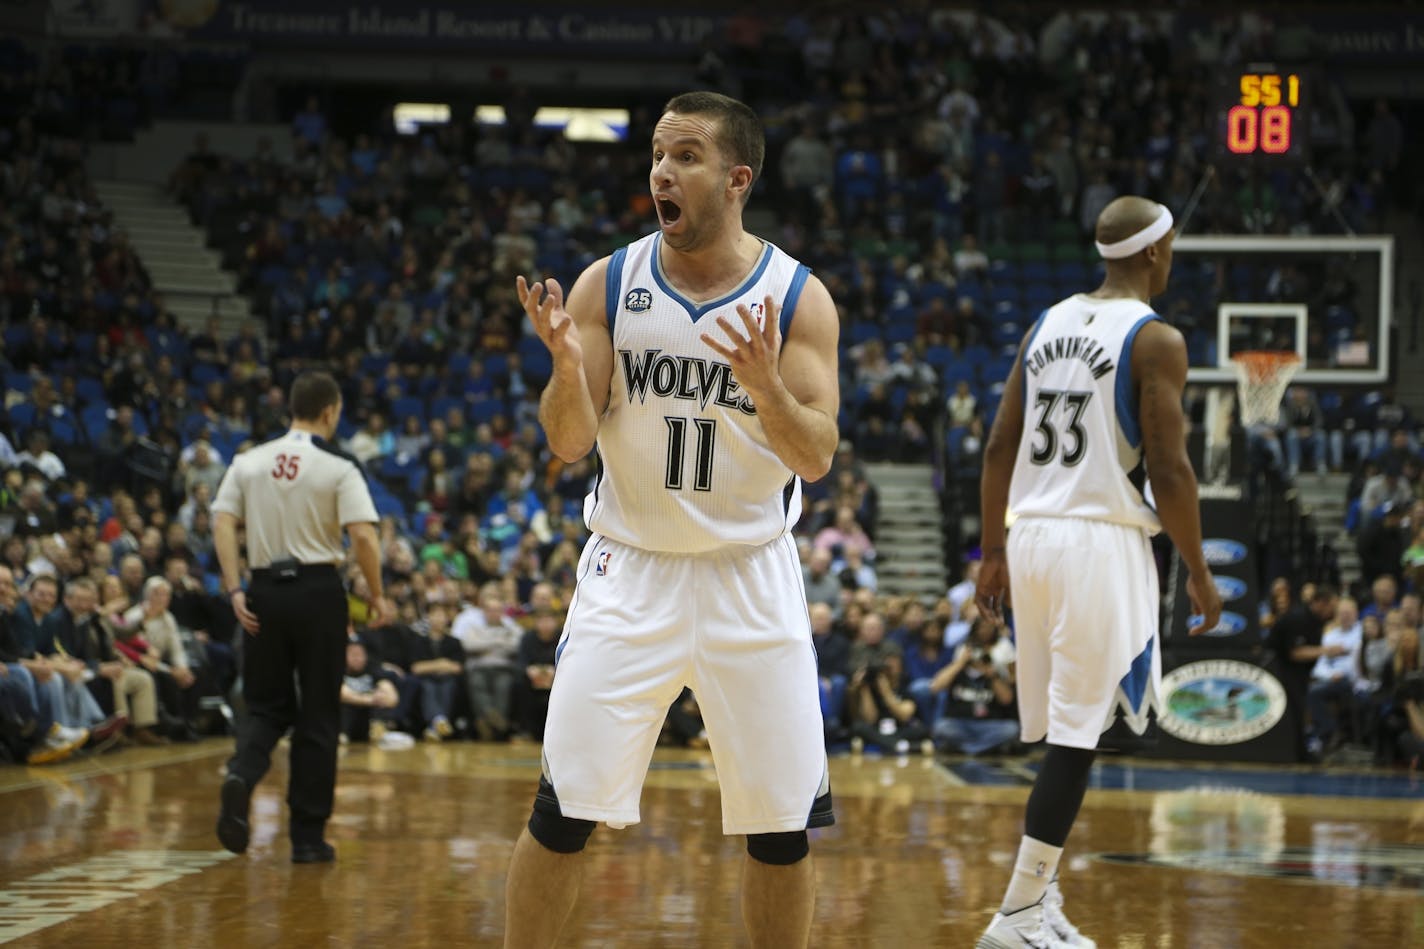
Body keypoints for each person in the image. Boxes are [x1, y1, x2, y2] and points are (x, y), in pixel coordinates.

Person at [505, 91, 840, 949]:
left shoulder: (797, 299)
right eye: (658, 154)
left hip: (750, 574)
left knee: (778, 826)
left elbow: (815, 455)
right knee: (562, 808)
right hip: (631, 569)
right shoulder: (606, 283)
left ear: (736, 179)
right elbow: (569, 442)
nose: (662, 169)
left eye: (685, 155)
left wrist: (764, 384)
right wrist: (565, 370)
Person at [975, 196, 1222, 948]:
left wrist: (991, 551)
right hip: (1096, 539)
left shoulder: (1046, 322)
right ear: (1156, 253)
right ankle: (1017, 910)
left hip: (1033, 535)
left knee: (1064, 724)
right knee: (1078, 734)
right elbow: (1172, 469)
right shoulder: (1156, 340)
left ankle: (1039, 899)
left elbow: (997, 448)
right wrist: (1199, 567)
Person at [212, 371, 391, 864]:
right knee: (317, 712)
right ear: (331, 411)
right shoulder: (338, 465)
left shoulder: (248, 461)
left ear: (291, 408)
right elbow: (364, 537)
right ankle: (307, 839)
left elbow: (221, 521)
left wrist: (234, 587)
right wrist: (376, 595)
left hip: (264, 591)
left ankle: (241, 776)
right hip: (318, 592)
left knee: (266, 706)